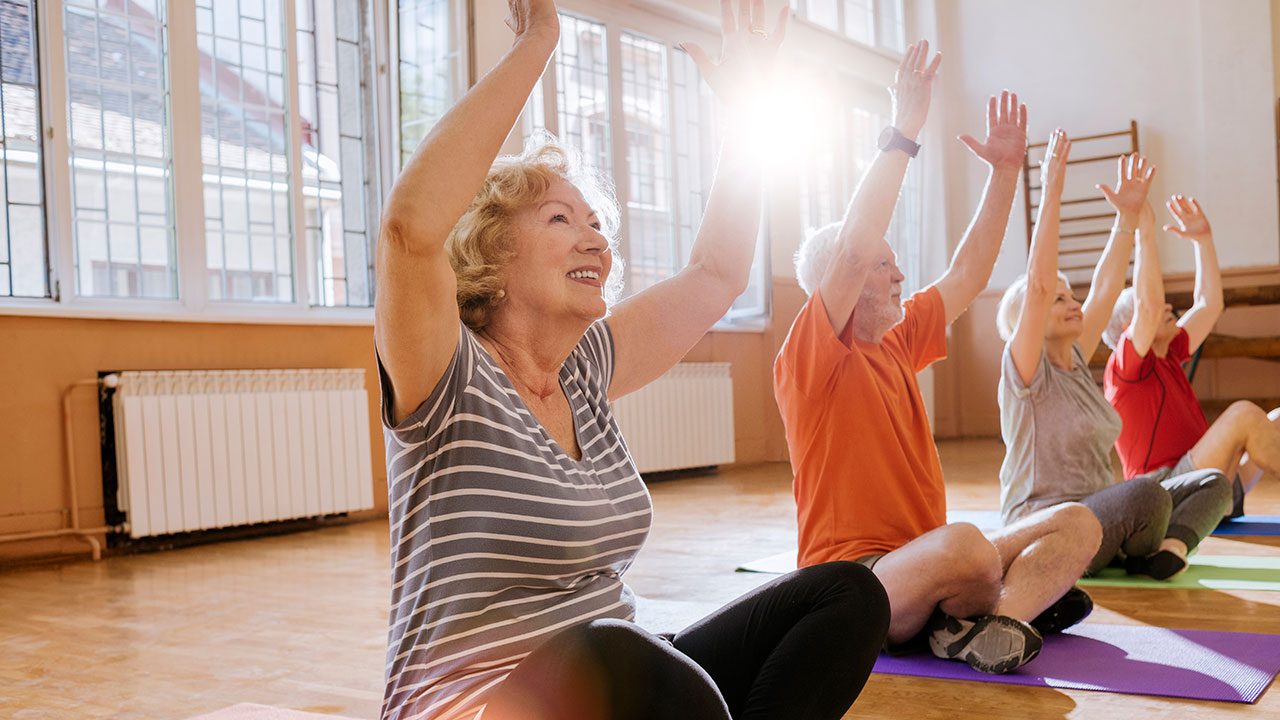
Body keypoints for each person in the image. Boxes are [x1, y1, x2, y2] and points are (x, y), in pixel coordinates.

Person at [374, 2, 890, 719]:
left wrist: (747, 115)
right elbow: (409, 230)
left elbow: (716, 273)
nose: (595, 240)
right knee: (616, 653)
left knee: (846, 594)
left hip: (618, 683)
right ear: (491, 251)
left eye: (596, 224)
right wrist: (538, 42)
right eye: (560, 219)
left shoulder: (585, 367)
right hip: (479, 704)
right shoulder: (448, 374)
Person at [775, 43, 1101, 676]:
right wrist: (904, 130)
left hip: (926, 559)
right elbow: (852, 248)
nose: (899, 274)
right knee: (968, 549)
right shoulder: (810, 355)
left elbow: (968, 273)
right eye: (883, 265)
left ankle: (995, 621)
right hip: (855, 584)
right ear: (841, 283)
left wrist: (1005, 172)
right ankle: (990, 607)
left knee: (1076, 524)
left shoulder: (899, 336)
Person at [996, 135, 1233, 583]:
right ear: (1030, 318)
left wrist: (1127, 218)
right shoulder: (1025, 372)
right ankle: (1136, 545)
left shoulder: (1076, 361)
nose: (1072, 303)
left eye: (1072, 295)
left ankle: (1163, 550)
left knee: (1213, 482)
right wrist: (1052, 189)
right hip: (1046, 527)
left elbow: (1105, 286)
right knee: (1144, 494)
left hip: (1100, 516)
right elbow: (1039, 284)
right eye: (1058, 299)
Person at [1101, 195, 1280, 515]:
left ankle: (1221, 504)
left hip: (1204, 485)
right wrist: (1145, 229)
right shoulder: (1124, 369)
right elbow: (1149, 307)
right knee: (1242, 414)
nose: (1168, 307)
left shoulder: (1169, 353)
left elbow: (1209, 304)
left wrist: (1203, 240)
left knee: (1278, 420)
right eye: (1159, 306)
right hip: (1161, 494)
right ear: (1131, 327)